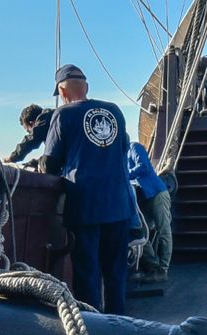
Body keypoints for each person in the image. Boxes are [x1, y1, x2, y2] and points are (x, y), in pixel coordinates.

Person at [41, 64, 140, 315]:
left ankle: (95, 330)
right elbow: (121, 150)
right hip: (118, 205)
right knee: (116, 273)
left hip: (85, 206)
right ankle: (120, 324)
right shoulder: (115, 111)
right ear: (86, 87)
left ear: (62, 91)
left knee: (87, 273)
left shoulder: (64, 115)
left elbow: (50, 163)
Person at [127, 141, 171, 283]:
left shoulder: (134, 147)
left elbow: (143, 166)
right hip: (145, 198)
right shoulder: (121, 154)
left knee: (163, 230)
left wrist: (124, 175)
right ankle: (154, 268)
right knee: (140, 233)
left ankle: (163, 269)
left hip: (157, 193)